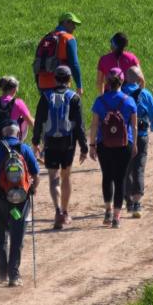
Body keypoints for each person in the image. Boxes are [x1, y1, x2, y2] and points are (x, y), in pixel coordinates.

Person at [0, 119, 40, 287]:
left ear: (3, 134)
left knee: (1, 234)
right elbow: (37, 176)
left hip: (0, 200)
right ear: (17, 133)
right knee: (17, 235)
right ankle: (14, 275)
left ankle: (1, 272)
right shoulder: (25, 149)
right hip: (20, 202)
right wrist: (32, 190)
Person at [32, 65, 88, 229]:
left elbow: (39, 122)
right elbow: (79, 126)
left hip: (50, 142)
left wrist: (35, 142)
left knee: (53, 177)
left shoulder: (45, 96)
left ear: (55, 79)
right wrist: (84, 147)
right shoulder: (74, 98)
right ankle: (65, 212)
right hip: (68, 143)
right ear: (70, 80)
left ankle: (57, 211)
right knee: (66, 176)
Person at [88, 67, 138, 229]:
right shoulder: (129, 101)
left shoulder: (99, 101)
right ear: (122, 81)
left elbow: (94, 125)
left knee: (107, 176)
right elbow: (135, 126)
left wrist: (92, 145)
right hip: (125, 143)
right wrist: (135, 144)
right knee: (120, 178)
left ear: (107, 83)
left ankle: (108, 211)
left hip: (104, 143)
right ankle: (117, 216)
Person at [122, 66, 153, 218]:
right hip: (142, 135)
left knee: (126, 169)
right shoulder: (145, 94)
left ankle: (128, 200)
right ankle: (137, 203)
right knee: (139, 167)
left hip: (123, 138)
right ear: (139, 79)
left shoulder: (120, 94)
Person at [33, 12, 84, 96]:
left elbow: (38, 61)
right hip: (60, 84)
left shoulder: (46, 37)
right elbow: (74, 64)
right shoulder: (68, 38)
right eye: (73, 23)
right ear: (66, 22)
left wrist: (39, 84)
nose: (74, 27)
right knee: (61, 109)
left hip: (42, 84)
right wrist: (79, 85)